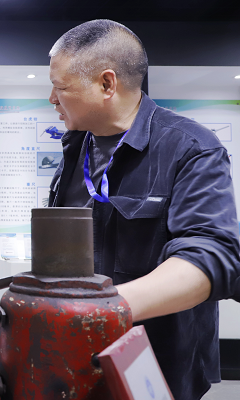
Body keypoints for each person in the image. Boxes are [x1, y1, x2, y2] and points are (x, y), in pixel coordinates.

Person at [47, 20, 240, 400]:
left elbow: (212, 255)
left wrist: (102, 309)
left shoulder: (190, 147)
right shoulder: (75, 150)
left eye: (61, 87)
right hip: (77, 356)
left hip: (157, 364)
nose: (52, 98)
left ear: (107, 84)